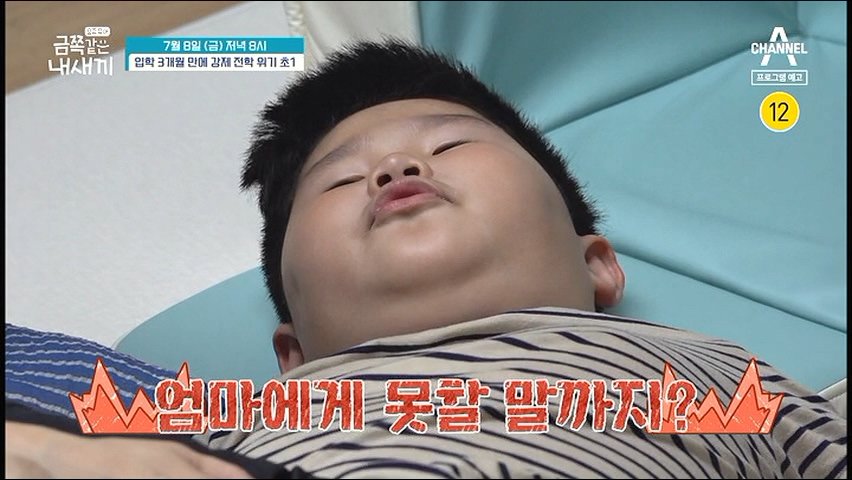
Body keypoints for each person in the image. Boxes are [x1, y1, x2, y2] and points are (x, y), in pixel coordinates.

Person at [6, 40, 847, 479]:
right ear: (293, 354)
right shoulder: (243, 416)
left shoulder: (711, 378)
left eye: (449, 144)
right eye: (340, 181)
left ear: (596, 264)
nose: (394, 169)